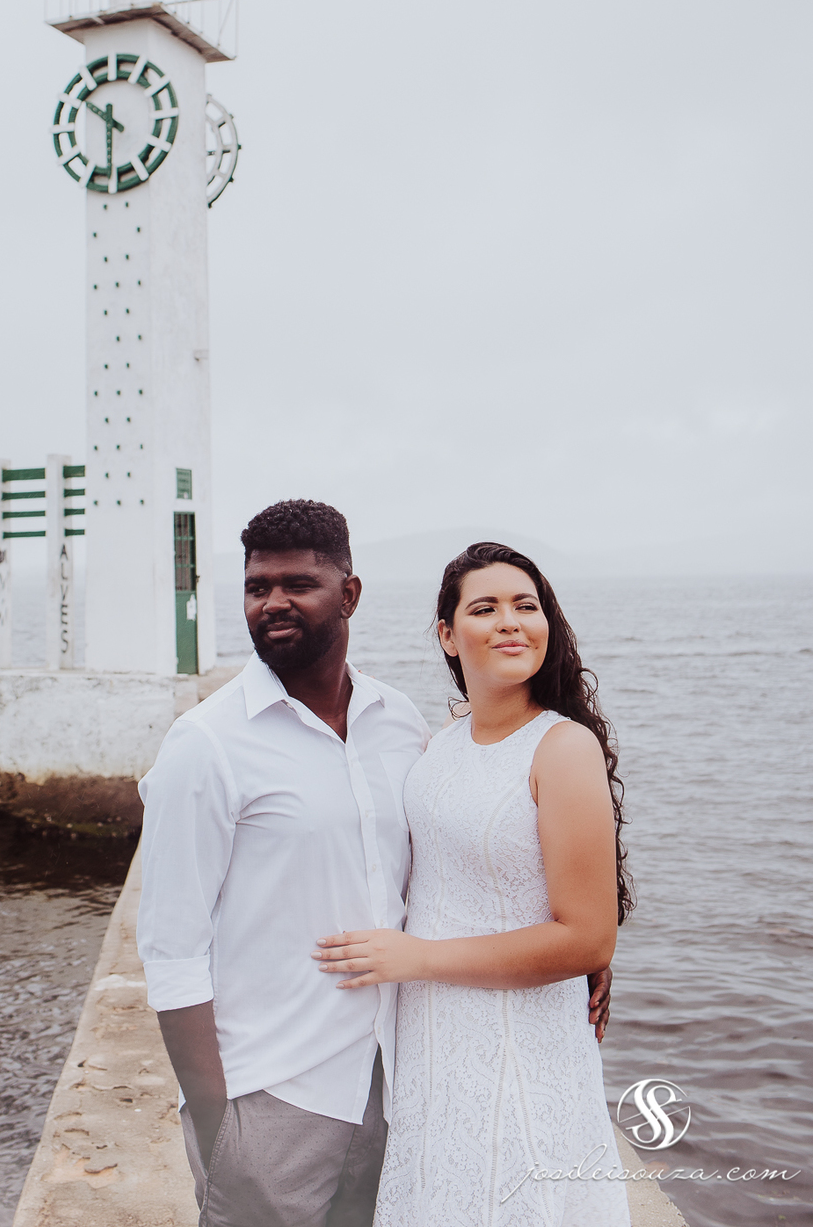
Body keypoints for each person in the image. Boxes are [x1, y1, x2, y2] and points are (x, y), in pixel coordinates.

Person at [137, 506, 613, 1227]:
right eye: (257, 587)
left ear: (349, 595)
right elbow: (171, 951)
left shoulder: (401, 725)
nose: (274, 603)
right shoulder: (204, 745)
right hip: (272, 1089)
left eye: (298, 583)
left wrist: (581, 946)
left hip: (395, 1077)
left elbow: (459, 859)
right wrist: (216, 1122)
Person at [315, 542, 633, 1226]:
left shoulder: (562, 746)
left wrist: (417, 958)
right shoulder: (442, 743)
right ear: (448, 636)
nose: (511, 622)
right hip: (434, 1041)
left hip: (518, 1042)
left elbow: (586, 936)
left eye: (527, 606)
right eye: (485, 608)